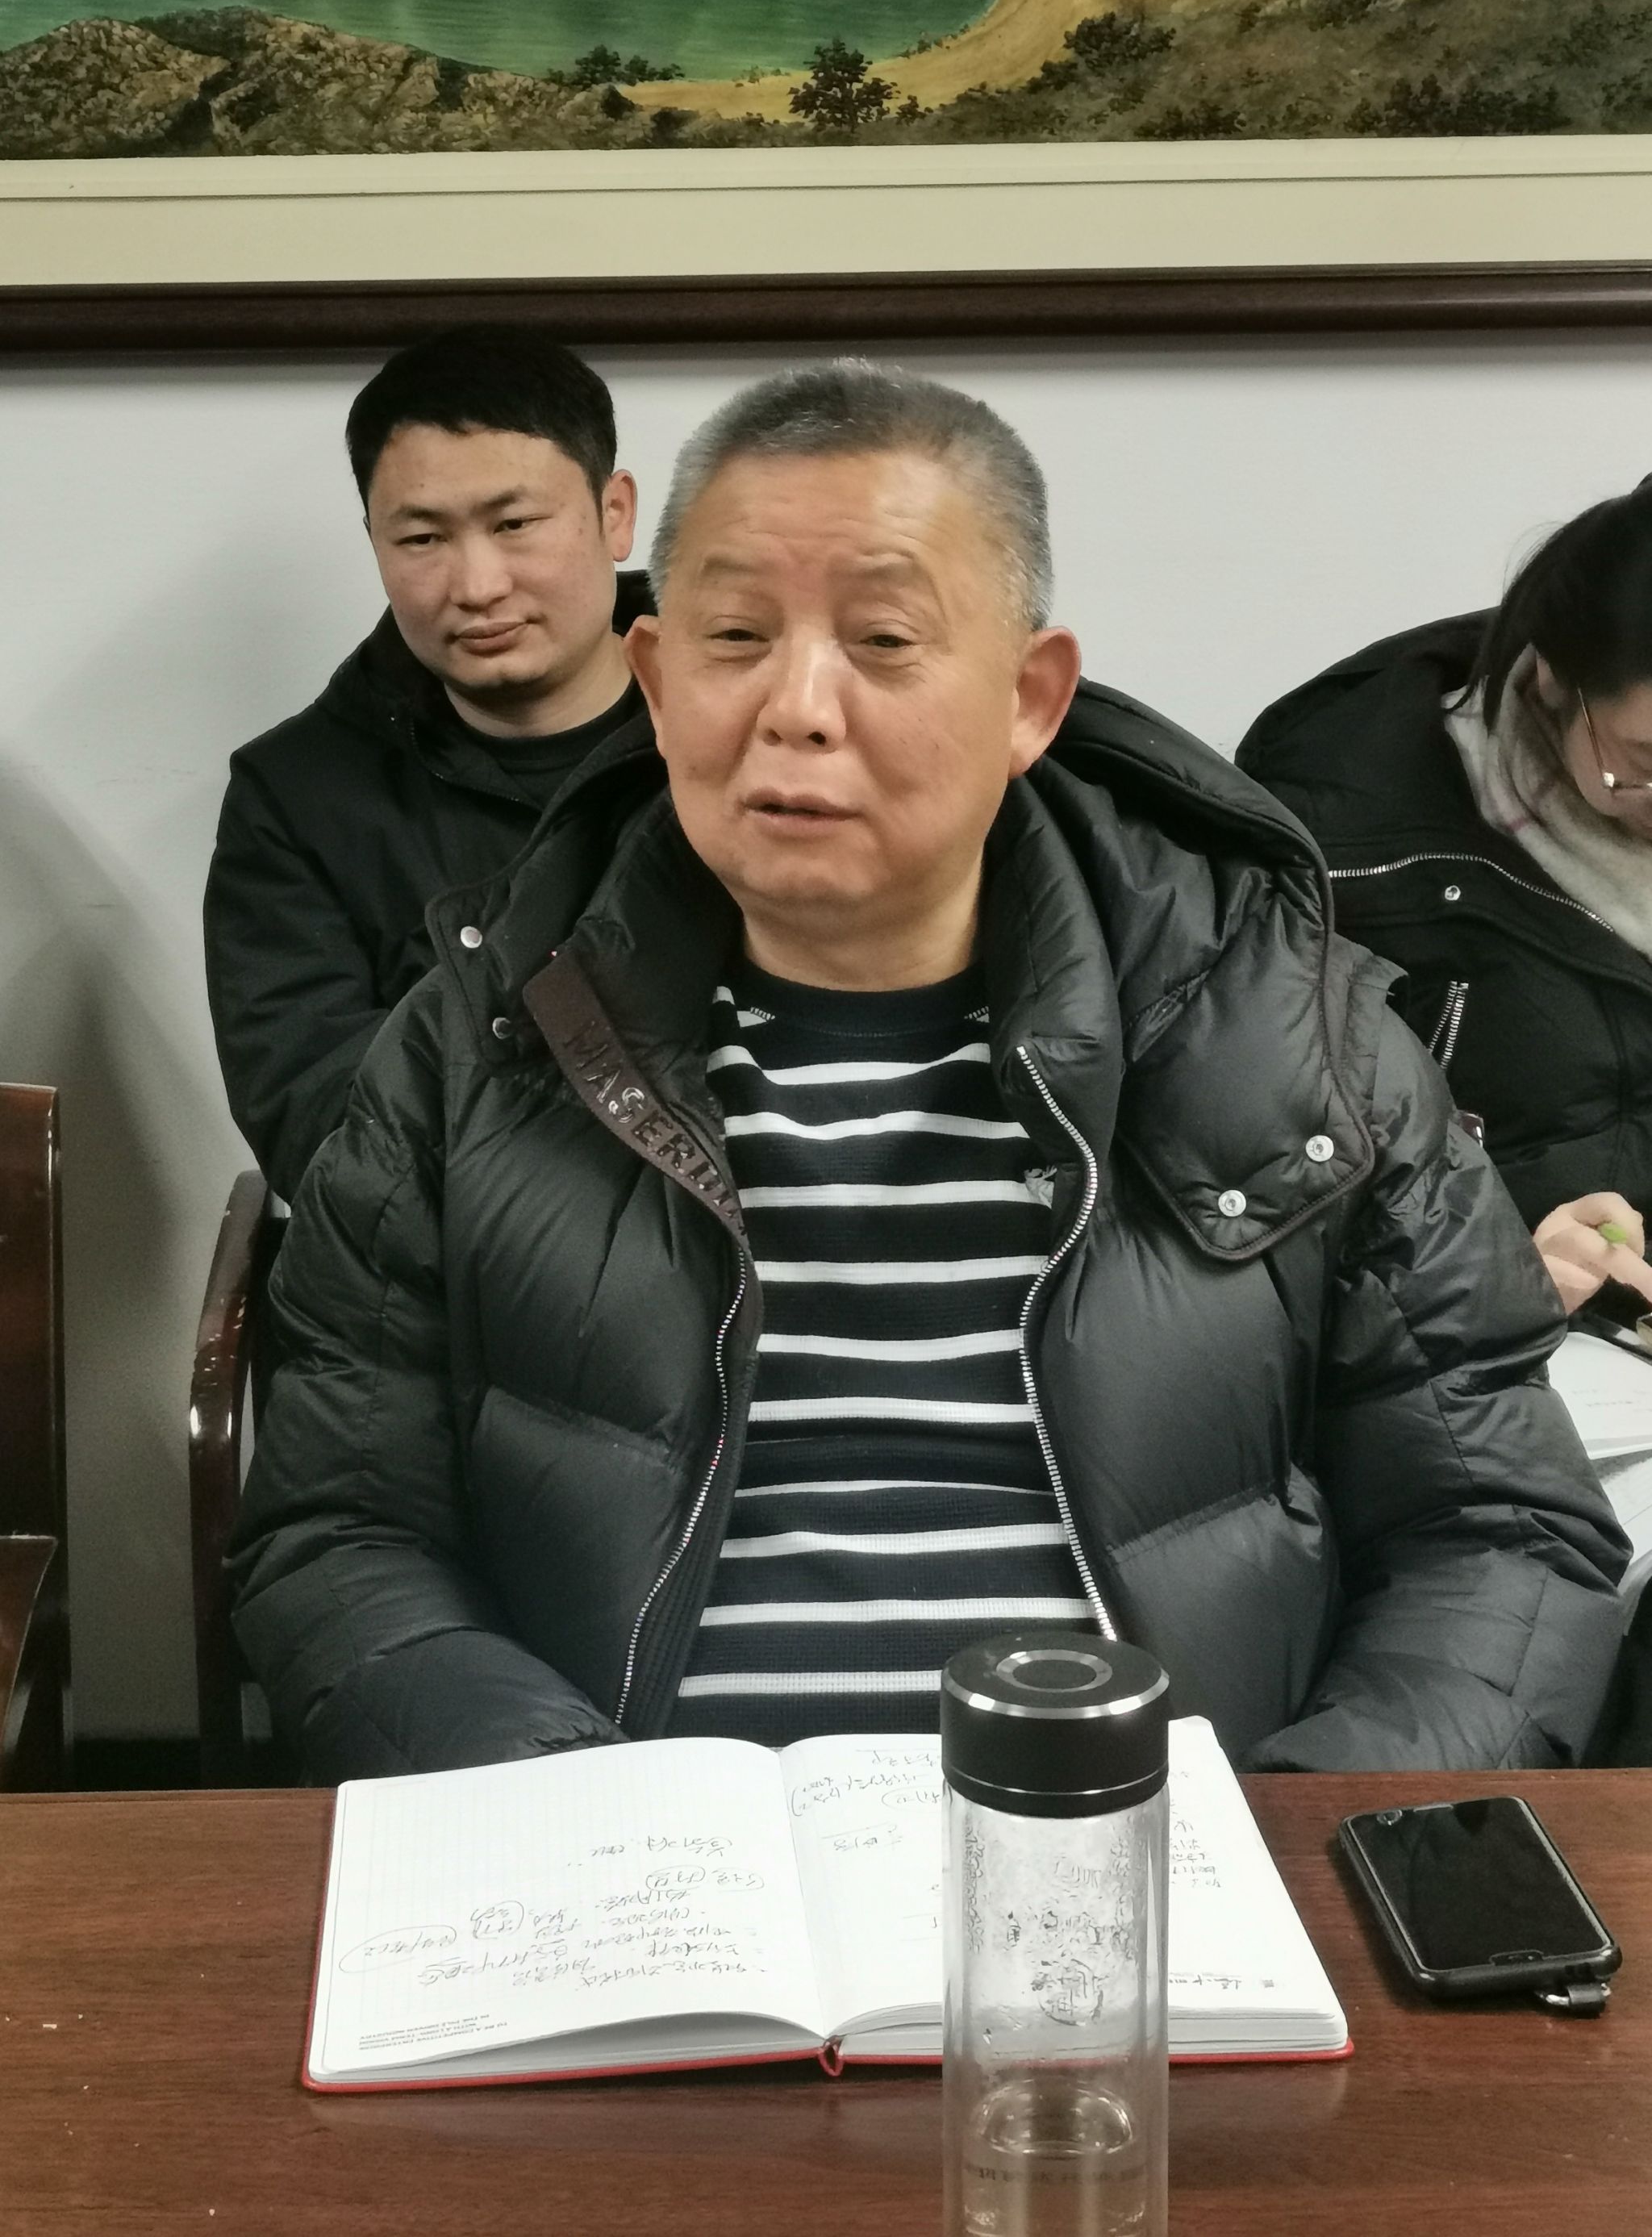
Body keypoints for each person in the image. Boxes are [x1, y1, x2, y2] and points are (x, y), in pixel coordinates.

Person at [229, 361, 1627, 1785]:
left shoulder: (1287, 1037)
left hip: (1161, 1861)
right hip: (630, 1863)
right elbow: (341, 1535)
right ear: (653, 682)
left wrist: (1290, 1838)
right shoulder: (477, 1049)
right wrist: (573, 1812)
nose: (797, 707)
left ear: (1029, 697)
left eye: (884, 639)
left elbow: (1501, 1536)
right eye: (733, 637)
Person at [204, 326, 649, 1204]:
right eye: (421, 539)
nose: (477, 585)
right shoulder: (294, 797)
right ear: (375, 542)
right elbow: (321, 1132)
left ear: (615, 514)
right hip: (446, 1274)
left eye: (514, 524)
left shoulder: (756, 734)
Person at [1239, 482, 1652, 1321]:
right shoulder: (1343, 844)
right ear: (1552, 678)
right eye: (1645, 762)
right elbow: (1262, 1190)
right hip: (1514, 1344)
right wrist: (1486, 1268)